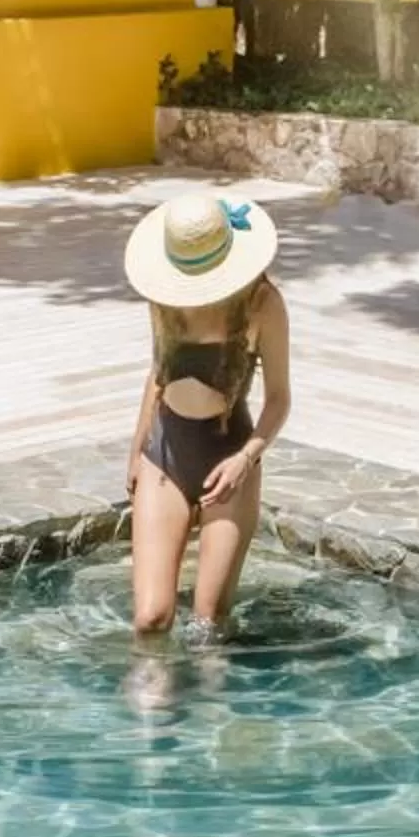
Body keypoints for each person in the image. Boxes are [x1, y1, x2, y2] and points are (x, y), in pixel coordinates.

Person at [122, 189, 291, 637]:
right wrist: (137, 448)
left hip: (229, 456)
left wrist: (245, 460)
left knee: (208, 625)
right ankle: (148, 706)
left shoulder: (262, 305)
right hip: (166, 456)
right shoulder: (163, 297)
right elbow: (158, 371)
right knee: (151, 619)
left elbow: (279, 398)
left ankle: (215, 706)